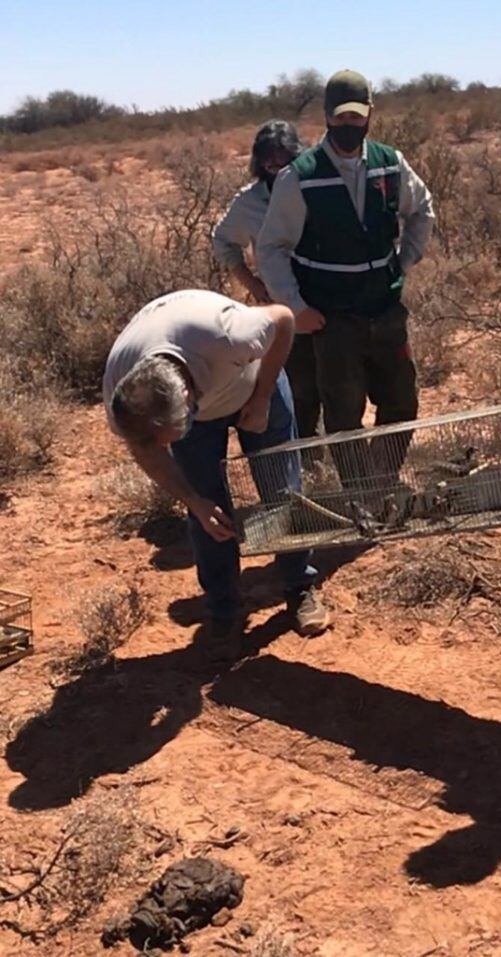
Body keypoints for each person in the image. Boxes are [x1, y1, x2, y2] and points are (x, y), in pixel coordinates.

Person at [103, 289, 330, 663]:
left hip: (255, 384)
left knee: (283, 492)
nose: (167, 446)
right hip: (197, 407)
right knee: (207, 515)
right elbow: (145, 448)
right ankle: (223, 612)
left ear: (190, 400)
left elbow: (284, 320)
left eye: (171, 438)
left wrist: (261, 398)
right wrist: (193, 500)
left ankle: (299, 586)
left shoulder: (229, 335)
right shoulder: (123, 393)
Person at [257, 69, 435, 484]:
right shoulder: (299, 175)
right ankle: (361, 494)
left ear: (370, 114)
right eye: (341, 117)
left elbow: (422, 210)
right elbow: (270, 248)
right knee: (342, 414)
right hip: (332, 316)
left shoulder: (391, 163)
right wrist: (296, 307)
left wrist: (403, 262)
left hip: (385, 309)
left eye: (357, 117)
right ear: (326, 116)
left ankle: (381, 478)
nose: (349, 126)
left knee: (402, 403)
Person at [212, 120, 322, 448]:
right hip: (282, 309)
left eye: (283, 160)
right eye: (267, 162)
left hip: (323, 297)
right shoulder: (248, 202)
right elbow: (222, 241)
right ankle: (307, 455)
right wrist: (253, 284)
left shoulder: (315, 186)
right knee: (298, 387)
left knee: (333, 381)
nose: (275, 168)